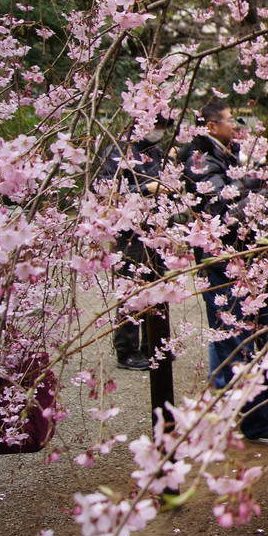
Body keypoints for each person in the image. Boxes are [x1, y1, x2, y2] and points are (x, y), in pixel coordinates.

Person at [179, 99, 268, 446]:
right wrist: (266, 191)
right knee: (238, 343)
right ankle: (257, 424)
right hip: (225, 263)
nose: (238, 125)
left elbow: (244, 188)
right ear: (211, 126)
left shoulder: (231, 155)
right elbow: (222, 208)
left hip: (254, 256)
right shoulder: (199, 160)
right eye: (231, 119)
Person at [100, 115, 173, 372]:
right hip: (130, 230)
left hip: (156, 226)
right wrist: (146, 189)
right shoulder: (119, 151)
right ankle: (127, 350)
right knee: (132, 288)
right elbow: (108, 192)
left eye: (163, 127)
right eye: (157, 126)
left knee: (158, 284)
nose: (160, 131)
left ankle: (154, 343)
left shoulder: (156, 151)